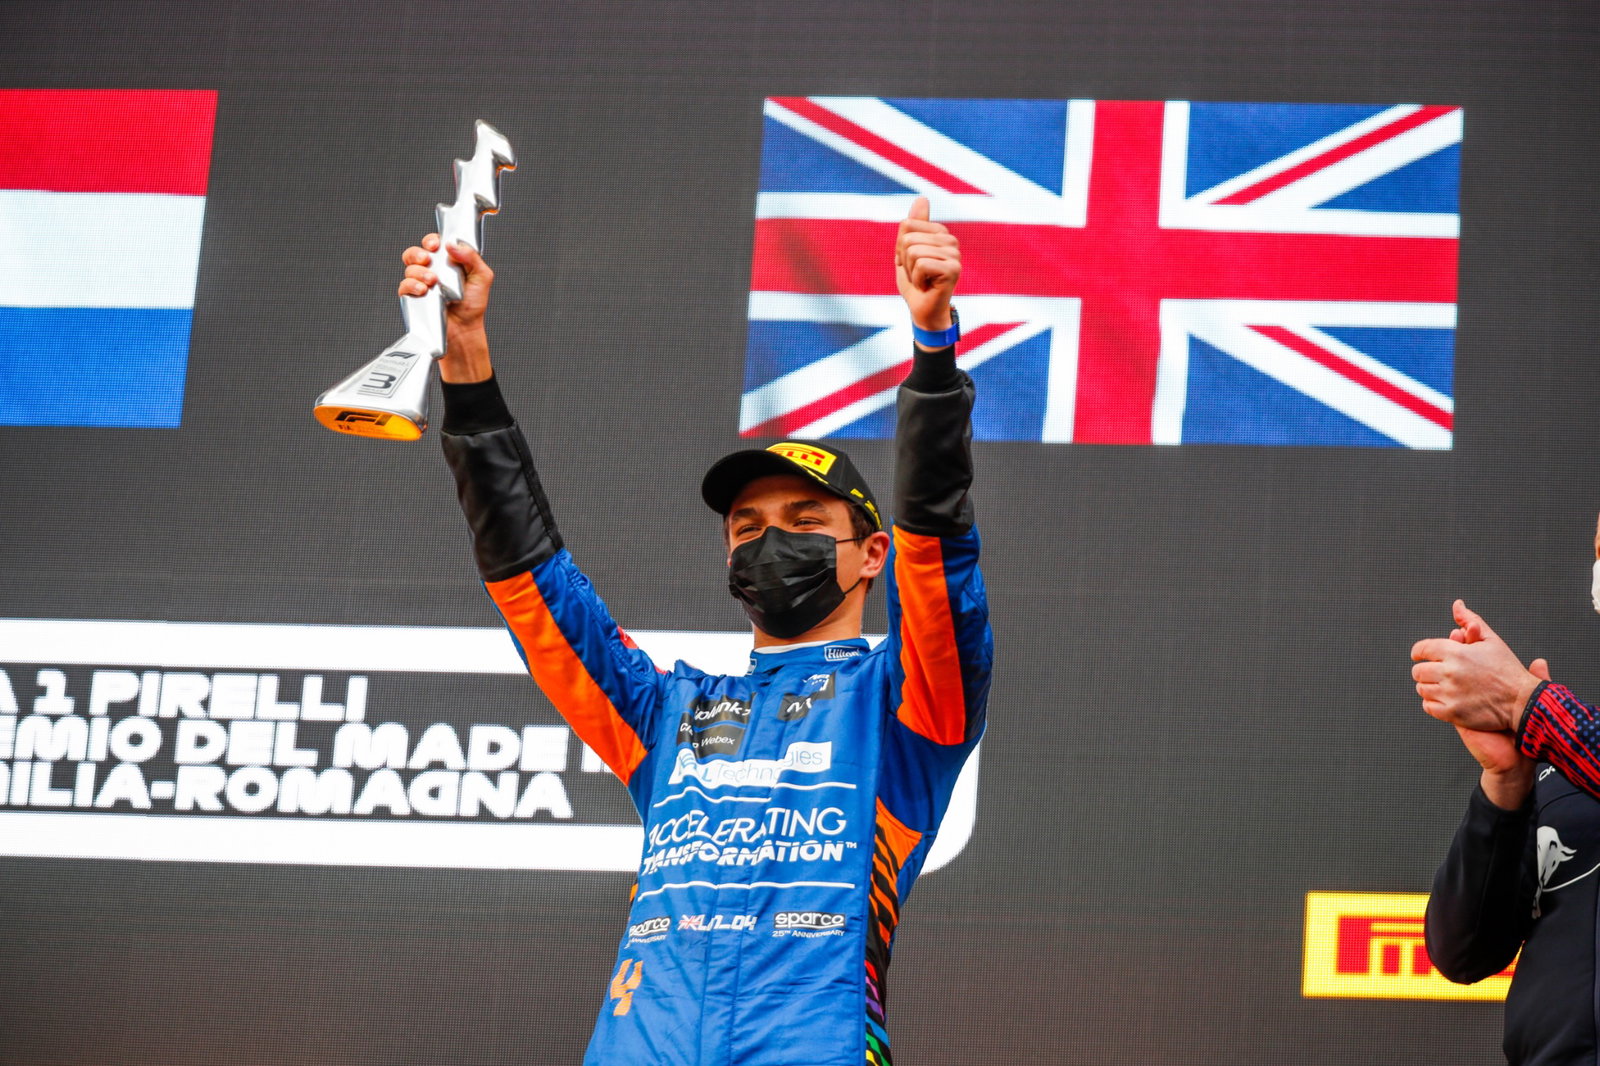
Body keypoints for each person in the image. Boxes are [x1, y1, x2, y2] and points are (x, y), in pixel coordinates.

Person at [399, 196, 991, 1066]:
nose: (767, 537)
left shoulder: (906, 710)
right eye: (746, 527)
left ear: (872, 553)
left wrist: (933, 350)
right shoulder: (664, 714)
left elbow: (939, 558)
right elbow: (534, 584)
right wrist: (466, 366)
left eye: (800, 518)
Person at [1415, 537, 1600, 1062]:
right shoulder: (1564, 764)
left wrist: (1521, 701)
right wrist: (1507, 780)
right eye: (1599, 545)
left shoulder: (1563, 736)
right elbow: (1462, 951)